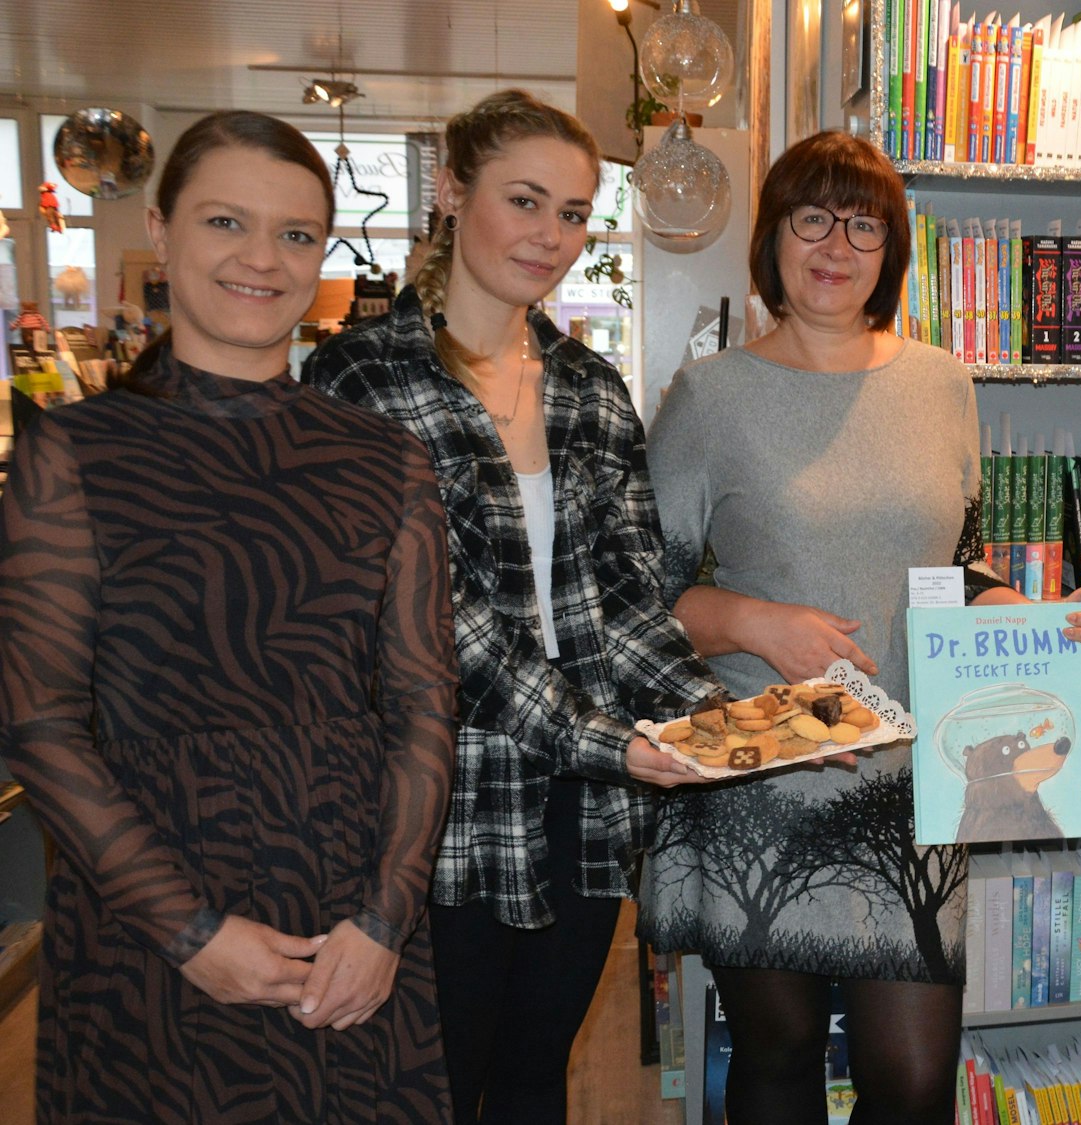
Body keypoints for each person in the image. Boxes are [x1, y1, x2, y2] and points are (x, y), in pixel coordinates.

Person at [640, 130, 1081, 1125]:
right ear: (772, 237)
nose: (835, 244)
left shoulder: (941, 383)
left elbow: (950, 566)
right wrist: (755, 620)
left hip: (916, 778)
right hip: (759, 762)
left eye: (863, 224)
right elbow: (640, 596)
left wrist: (1015, 610)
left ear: (890, 251)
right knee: (778, 1052)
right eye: (812, 216)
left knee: (910, 1078)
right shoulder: (710, 396)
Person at [0, 111, 455, 1121]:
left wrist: (386, 918)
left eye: (296, 234)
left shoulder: (387, 460)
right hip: (145, 910)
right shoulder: (70, 454)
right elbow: (40, 727)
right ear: (160, 233)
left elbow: (426, 706)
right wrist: (187, 929)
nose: (262, 259)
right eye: (224, 223)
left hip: (350, 911)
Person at [302, 89, 725, 1124]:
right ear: (452, 191)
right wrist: (607, 739)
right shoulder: (359, 378)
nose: (550, 237)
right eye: (525, 201)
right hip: (436, 811)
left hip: (582, 813)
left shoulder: (589, 389)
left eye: (575, 212)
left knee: (536, 1083)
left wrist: (719, 719)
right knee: (428, 1092)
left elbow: (630, 597)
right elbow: (433, 621)